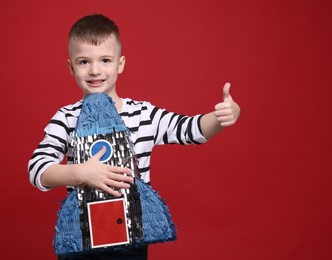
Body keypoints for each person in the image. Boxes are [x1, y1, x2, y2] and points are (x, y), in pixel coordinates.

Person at [28, 13, 240, 260]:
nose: (95, 70)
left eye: (105, 60)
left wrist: (221, 117)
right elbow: (37, 169)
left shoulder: (143, 114)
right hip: (82, 239)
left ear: (120, 64)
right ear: (71, 67)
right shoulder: (65, 118)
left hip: (132, 238)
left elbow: (190, 129)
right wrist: (80, 173)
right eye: (84, 61)